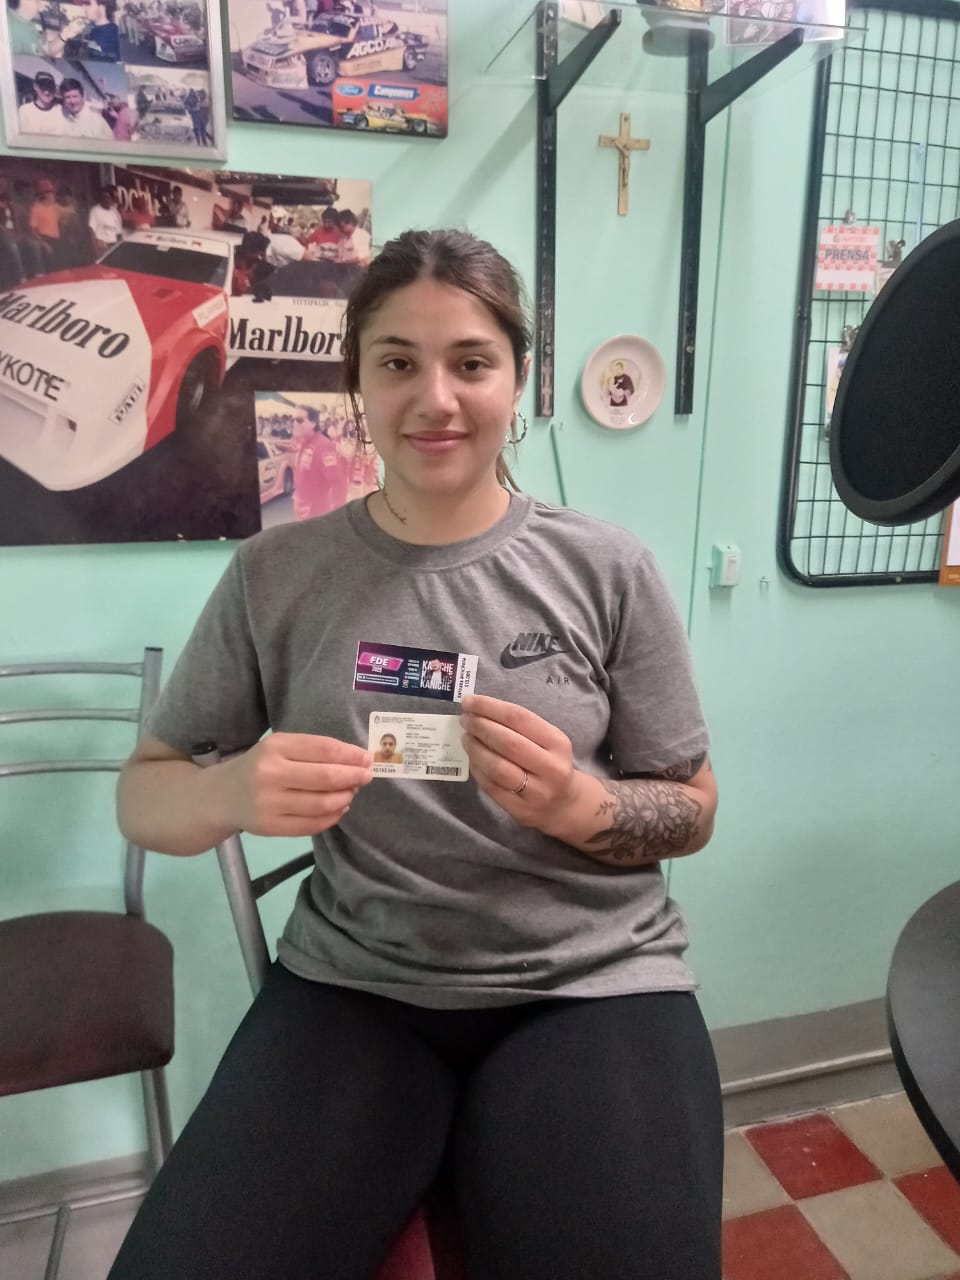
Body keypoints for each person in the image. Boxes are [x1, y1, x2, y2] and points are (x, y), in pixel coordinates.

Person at [107, 228, 722, 1280]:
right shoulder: (274, 575)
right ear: (358, 383)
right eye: (398, 362)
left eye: (471, 362)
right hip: (356, 987)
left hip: (592, 983)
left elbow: (695, 806)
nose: (435, 398)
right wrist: (231, 790)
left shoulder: (607, 568)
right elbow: (143, 796)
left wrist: (580, 806)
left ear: (518, 379)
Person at [291, 403, 349, 519]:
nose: (294, 423)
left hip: (316, 514)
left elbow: (338, 484)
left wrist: (335, 517)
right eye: (293, 420)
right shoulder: (303, 443)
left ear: (313, 423)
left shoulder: (323, 446)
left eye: (299, 420)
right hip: (302, 511)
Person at [6, 0, 86, 56]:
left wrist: (66, 33)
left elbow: (46, 50)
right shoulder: (13, 30)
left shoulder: (28, 25)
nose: (45, 3)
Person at [16, 70, 62, 136]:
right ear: (35, 87)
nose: (47, 92)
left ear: (54, 88)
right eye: (43, 87)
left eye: (50, 87)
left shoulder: (62, 110)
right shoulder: (24, 110)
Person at [88, 184, 123, 257]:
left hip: (113, 248)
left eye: (109, 198)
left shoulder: (115, 212)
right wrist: (96, 251)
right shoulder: (95, 211)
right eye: (104, 197)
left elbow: (119, 234)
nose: (106, 200)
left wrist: (119, 251)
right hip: (102, 247)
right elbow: (91, 232)